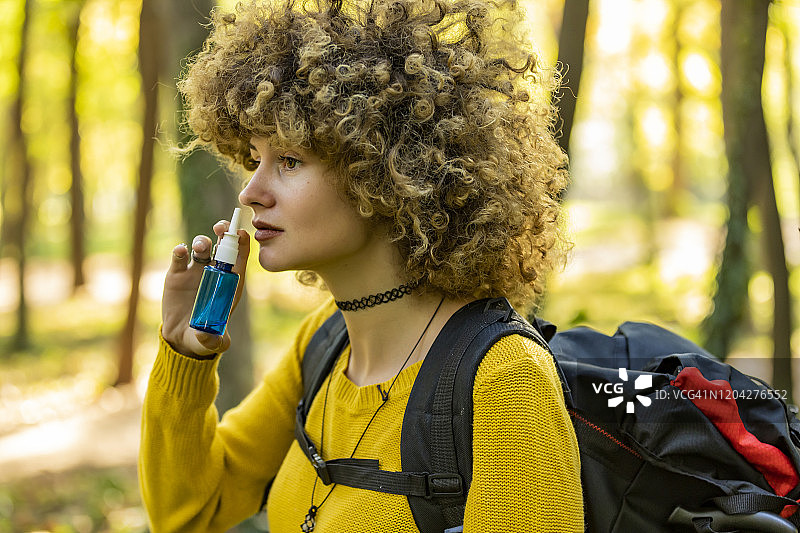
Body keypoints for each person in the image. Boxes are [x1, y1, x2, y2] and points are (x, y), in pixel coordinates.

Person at [139, 0, 583, 530]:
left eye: (289, 160)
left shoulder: (506, 381)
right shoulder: (323, 343)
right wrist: (186, 357)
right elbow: (190, 512)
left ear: (387, 171)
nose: (251, 192)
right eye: (254, 159)